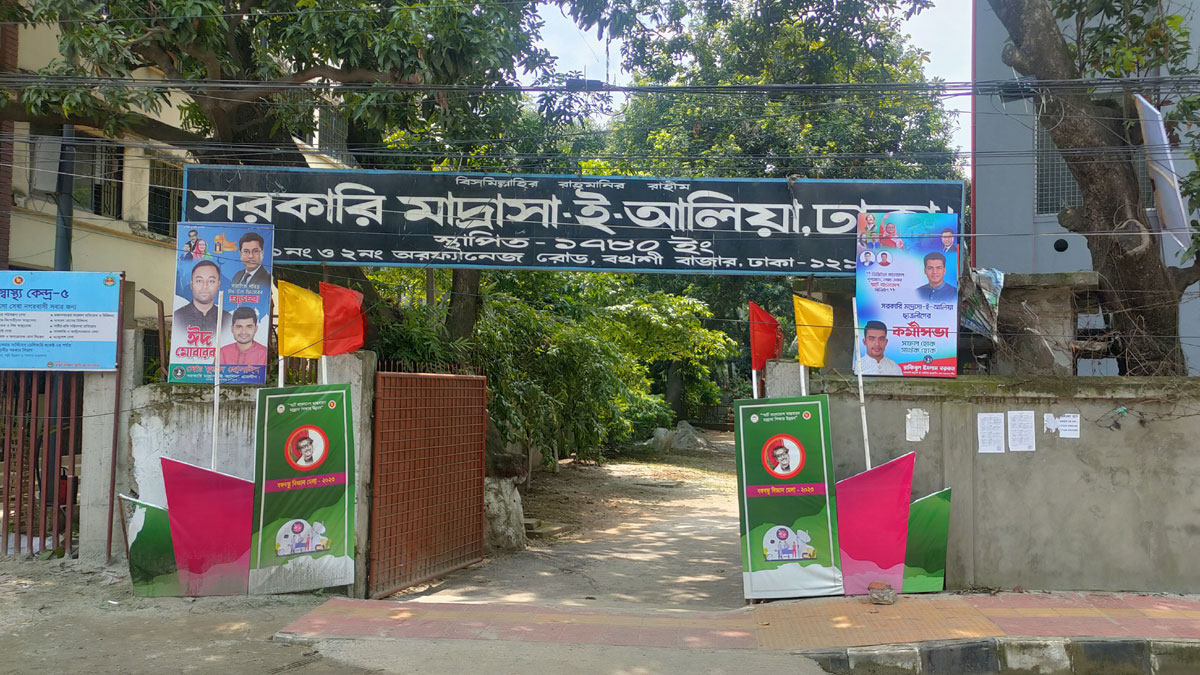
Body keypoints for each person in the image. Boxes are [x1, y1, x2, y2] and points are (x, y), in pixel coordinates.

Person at [172, 260, 232, 349]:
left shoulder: (227, 319)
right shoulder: (178, 317)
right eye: (199, 281)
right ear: (191, 284)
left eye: (211, 281)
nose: (205, 286)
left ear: (218, 285)